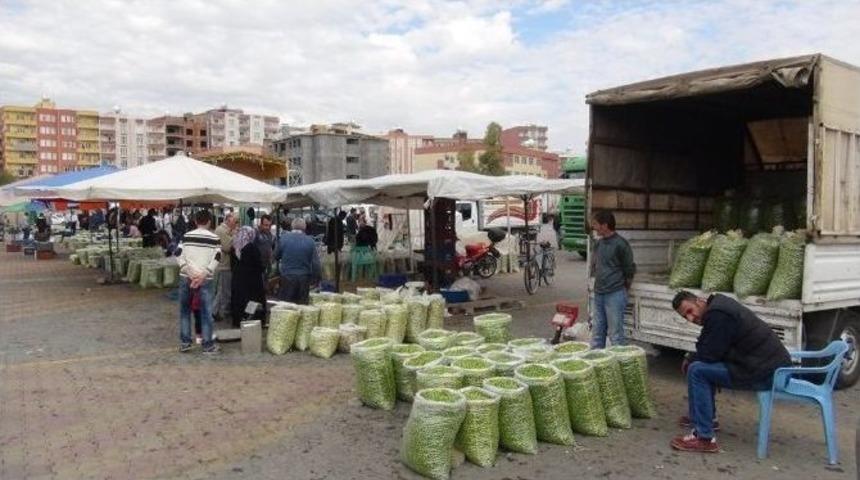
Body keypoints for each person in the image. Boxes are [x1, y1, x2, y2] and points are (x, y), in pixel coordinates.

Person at [670, 290, 791, 453]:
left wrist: (691, 359)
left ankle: (704, 437)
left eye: (690, 311)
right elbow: (706, 344)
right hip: (760, 364)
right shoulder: (716, 308)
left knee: (697, 370)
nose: (691, 319)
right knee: (698, 366)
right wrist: (691, 356)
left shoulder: (719, 314)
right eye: (685, 317)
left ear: (699, 301)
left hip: (766, 373)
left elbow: (709, 354)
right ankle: (706, 418)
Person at [175, 209, 221, 354]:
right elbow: (217, 257)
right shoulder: (215, 238)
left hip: (185, 276)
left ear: (195, 221)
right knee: (206, 312)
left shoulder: (186, 236)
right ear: (209, 221)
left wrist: (189, 271)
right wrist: (203, 274)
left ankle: (185, 342)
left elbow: (177, 254)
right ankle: (208, 345)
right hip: (205, 279)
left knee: (184, 310)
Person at [589, 209, 635, 349]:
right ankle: (596, 362)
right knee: (597, 332)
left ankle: (619, 364)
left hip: (615, 294)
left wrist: (623, 289)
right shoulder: (598, 244)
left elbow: (629, 270)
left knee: (615, 334)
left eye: (596, 224)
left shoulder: (621, 244)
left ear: (605, 225)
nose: (594, 227)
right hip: (599, 293)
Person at [274, 218, 321, 305]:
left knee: (286, 305)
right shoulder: (310, 241)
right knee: (302, 305)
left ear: (292, 227)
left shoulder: (283, 239)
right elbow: (316, 264)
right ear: (305, 227)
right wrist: (316, 278)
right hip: (304, 278)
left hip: (287, 277)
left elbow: (276, 256)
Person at [230, 226, 267, 327]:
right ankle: (252, 321)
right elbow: (258, 264)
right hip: (252, 281)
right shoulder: (251, 247)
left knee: (239, 300)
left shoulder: (234, 247)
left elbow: (232, 264)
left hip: (238, 279)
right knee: (252, 301)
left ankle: (238, 320)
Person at [213, 212, 237, 324]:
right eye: (234, 222)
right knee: (224, 290)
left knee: (221, 290)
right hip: (224, 264)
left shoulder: (223, 230)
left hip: (223, 264)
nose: (235, 225)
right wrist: (234, 236)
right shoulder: (222, 231)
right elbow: (227, 248)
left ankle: (215, 311)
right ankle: (219, 312)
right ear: (227, 220)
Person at [254, 214, 275, 280]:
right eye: (266, 225)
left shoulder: (270, 235)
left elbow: (270, 247)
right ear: (261, 224)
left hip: (267, 266)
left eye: (269, 225)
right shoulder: (255, 233)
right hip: (256, 266)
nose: (268, 227)